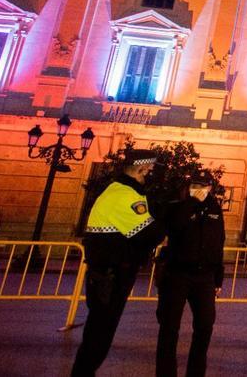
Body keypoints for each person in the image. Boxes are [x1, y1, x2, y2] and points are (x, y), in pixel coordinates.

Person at [72, 149, 167, 377]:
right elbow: (150, 233)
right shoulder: (123, 195)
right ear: (141, 168)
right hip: (111, 274)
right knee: (100, 331)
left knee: (99, 329)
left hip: (110, 272)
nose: (150, 175)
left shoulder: (120, 191)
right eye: (149, 170)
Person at [155, 169, 225, 377]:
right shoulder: (177, 206)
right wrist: (192, 203)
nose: (200, 190)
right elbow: (174, 226)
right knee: (169, 328)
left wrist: (218, 279)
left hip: (205, 277)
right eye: (196, 186)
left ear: (210, 188)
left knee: (205, 326)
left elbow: (218, 243)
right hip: (177, 274)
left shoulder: (215, 209)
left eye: (204, 186)